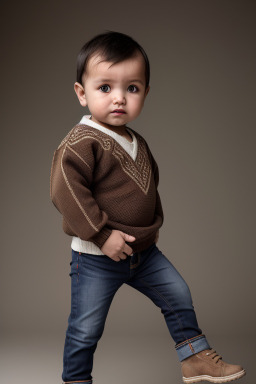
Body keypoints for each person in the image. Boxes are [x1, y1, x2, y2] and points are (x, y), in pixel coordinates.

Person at [50, 31, 246, 384]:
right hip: (98, 257)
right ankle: (76, 379)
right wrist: (102, 234)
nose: (119, 98)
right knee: (85, 327)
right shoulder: (80, 143)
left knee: (178, 294)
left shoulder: (135, 140)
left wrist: (150, 227)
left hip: (143, 253)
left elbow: (146, 186)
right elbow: (66, 193)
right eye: (105, 87)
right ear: (82, 93)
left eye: (133, 88)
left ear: (146, 93)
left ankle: (195, 358)